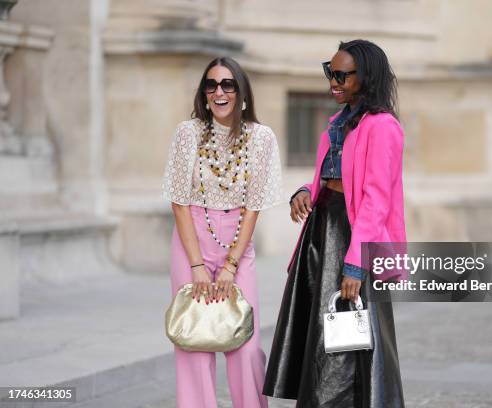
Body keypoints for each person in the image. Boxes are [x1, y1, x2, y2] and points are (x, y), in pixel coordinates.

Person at [263, 39, 406, 407]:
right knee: (322, 335)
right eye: (331, 71)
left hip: (355, 234)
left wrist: (356, 264)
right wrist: (305, 191)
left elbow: (375, 201)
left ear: (367, 77)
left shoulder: (383, 127)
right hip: (322, 229)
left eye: (342, 74)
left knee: (353, 336)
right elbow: (330, 177)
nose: (333, 81)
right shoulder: (337, 124)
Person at [161, 56, 282, 408]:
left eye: (227, 84)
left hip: (238, 246)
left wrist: (230, 264)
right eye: (211, 85)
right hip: (191, 243)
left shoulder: (261, 138)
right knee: (193, 344)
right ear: (204, 93)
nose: (219, 92)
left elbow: (255, 206)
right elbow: (179, 203)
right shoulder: (189, 133)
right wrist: (197, 265)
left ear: (241, 91)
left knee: (244, 345)